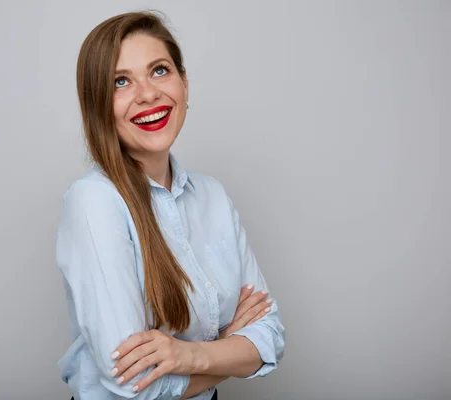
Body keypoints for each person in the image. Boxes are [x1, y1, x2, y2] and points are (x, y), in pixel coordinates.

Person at [56, 11, 285, 400]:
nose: (147, 93)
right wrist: (228, 351)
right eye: (121, 81)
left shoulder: (212, 195)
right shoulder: (93, 200)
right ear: (98, 105)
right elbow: (133, 384)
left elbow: (270, 336)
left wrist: (190, 356)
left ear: (184, 84)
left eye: (159, 71)